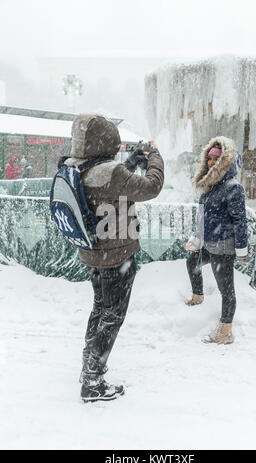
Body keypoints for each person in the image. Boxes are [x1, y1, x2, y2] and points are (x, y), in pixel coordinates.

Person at [63, 114, 164, 402]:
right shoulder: (112, 172)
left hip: (93, 253)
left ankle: (88, 361)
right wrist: (154, 157)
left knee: (99, 308)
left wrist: (130, 161)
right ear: (108, 142)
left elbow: (108, 181)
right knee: (113, 316)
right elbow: (151, 186)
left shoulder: (77, 167)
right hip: (118, 256)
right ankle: (93, 380)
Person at [184, 136, 249, 345]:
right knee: (191, 262)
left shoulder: (233, 187)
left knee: (226, 290)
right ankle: (198, 297)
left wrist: (241, 249)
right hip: (207, 245)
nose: (212, 162)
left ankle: (225, 331)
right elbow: (202, 218)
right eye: (209, 158)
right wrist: (196, 239)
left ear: (225, 161)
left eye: (216, 158)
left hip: (222, 248)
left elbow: (240, 220)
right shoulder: (208, 187)